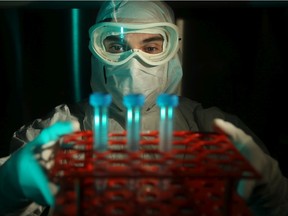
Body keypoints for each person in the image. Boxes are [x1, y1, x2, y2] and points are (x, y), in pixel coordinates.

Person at [0, 0, 287, 215]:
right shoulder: (57, 130)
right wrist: (8, 188)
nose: (133, 62)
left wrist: (273, 198)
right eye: (116, 47)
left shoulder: (213, 129)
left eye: (150, 48)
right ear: (97, 54)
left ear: (171, 53)